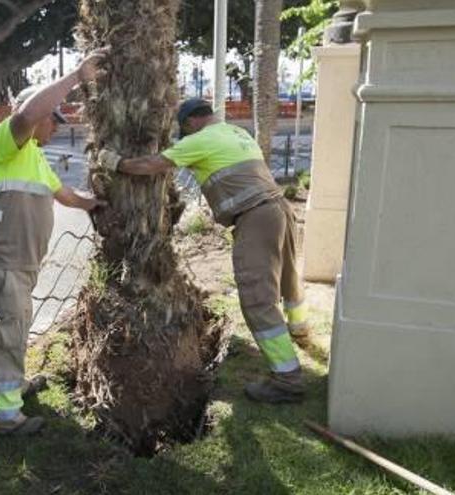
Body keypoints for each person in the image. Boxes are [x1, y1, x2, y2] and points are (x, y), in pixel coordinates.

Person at [95, 98, 312, 404]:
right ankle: (300, 329)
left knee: (257, 297)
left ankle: (287, 379)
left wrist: (114, 162)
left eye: (185, 131)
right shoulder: (237, 133)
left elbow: (150, 165)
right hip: (280, 209)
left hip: (255, 217)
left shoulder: (201, 139)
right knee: (289, 278)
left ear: (191, 123)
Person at [0, 51, 105, 435]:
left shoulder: (34, 158)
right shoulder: (5, 141)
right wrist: (77, 77)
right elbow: (28, 115)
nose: (58, 128)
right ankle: (5, 417)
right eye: (54, 119)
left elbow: (64, 195)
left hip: (20, 265)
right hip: (2, 263)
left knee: (13, 328)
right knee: (2, 334)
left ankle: (13, 389)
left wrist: (95, 203)